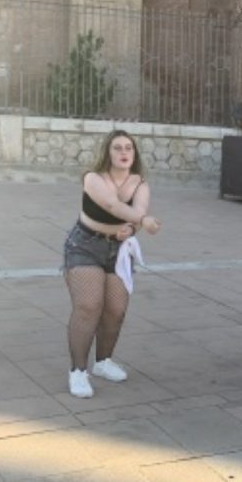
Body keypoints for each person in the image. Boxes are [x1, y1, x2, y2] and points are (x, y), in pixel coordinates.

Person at [64, 130, 161, 398]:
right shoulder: (93, 178)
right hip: (85, 245)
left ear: (134, 154)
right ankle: (78, 371)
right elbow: (112, 206)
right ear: (107, 152)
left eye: (128, 148)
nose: (123, 152)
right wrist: (143, 222)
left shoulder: (140, 184)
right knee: (88, 307)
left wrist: (132, 230)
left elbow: (135, 213)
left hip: (119, 251)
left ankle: (103, 362)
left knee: (115, 310)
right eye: (117, 148)